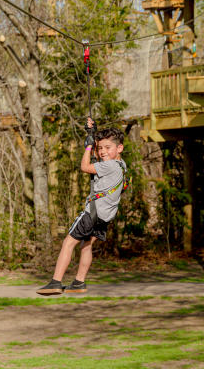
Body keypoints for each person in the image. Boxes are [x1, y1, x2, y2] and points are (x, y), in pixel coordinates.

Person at [37, 118, 128, 295]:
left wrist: (87, 147)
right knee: (86, 245)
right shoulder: (121, 165)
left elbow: (85, 166)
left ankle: (56, 282)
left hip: (92, 212)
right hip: (104, 216)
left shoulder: (109, 166)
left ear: (119, 148)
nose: (102, 152)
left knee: (68, 243)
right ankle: (79, 282)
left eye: (107, 148)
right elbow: (100, 158)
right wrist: (92, 134)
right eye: (100, 148)